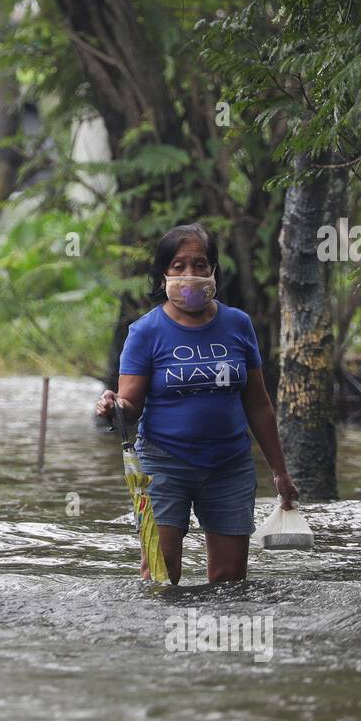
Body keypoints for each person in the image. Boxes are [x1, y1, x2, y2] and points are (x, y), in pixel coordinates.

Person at [96, 223, 299, 583]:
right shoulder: (145, 332)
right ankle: (160, 638)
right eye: (178, 267)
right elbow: (131, 405)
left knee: (229, 581)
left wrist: (280, 472)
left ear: (214, 271)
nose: (190, 275)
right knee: (159, 575)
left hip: (230, 467)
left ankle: (216, 637)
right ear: (163, 277)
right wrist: (114, 406)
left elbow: (258, 403)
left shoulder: (238, 324)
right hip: (163, 464)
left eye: (200, 265)